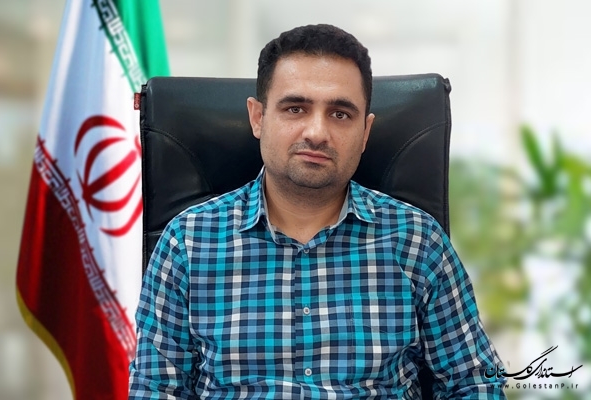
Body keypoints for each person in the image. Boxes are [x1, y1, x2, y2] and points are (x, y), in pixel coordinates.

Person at [129, 24, 507, 399]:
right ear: (258, 117)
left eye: (340, 114)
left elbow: (473, 383)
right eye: (295, 108)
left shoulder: (417, 240)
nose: (316, 132)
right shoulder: (188, 242)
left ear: (365, 132)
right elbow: (156, 390)